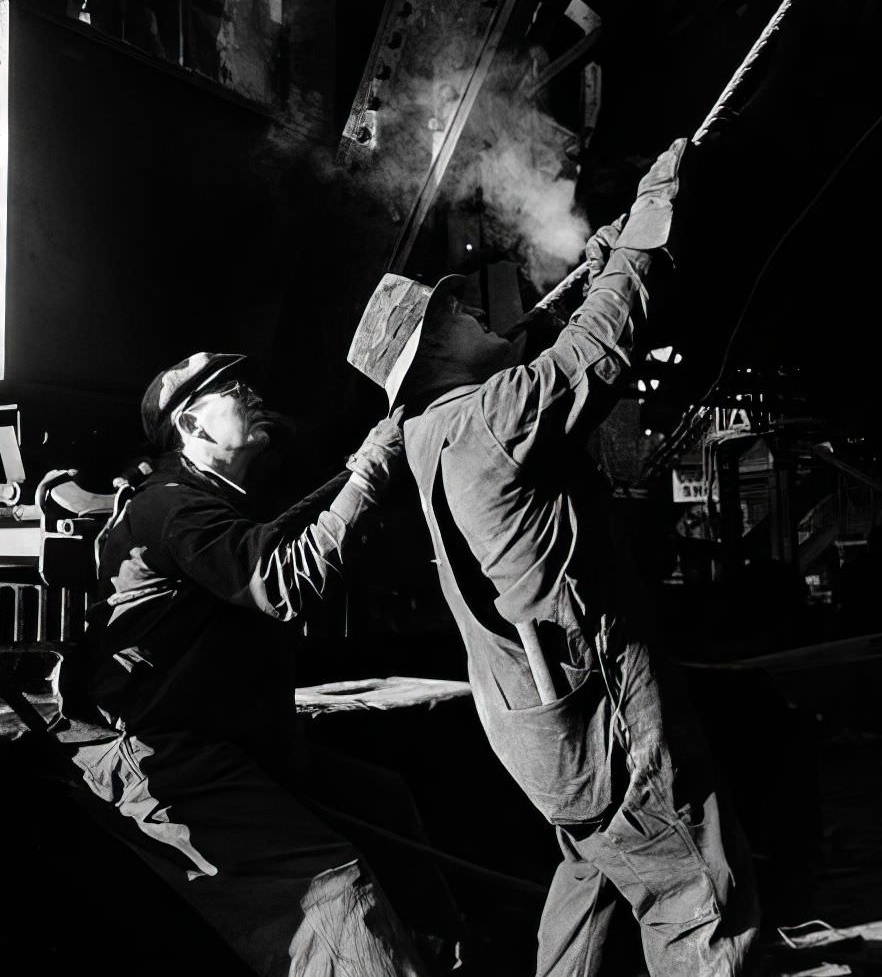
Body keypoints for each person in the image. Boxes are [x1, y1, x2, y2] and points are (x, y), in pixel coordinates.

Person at [351, 140, 760, 975]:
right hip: (606, 724)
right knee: (697, 900)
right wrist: (649, 218)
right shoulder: (493, 418)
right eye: (461, 318)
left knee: (595, 879)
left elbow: (543, 350)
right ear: (431, 356)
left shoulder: (435, 433)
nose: (481, 318)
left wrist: (603, 252)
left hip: (545, 740)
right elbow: (595, 346)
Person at [69, 351, 445, 977]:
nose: (250, 393)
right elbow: (283, 581)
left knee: (379, 800)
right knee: (332, 890)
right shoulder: (173, 508)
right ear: (191, 427)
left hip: (225, 736)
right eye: (229, 389)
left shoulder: (207, 500)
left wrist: (359, 467)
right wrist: (370, 471)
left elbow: (276, 539)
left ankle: (439, 957)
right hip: (166, 753)